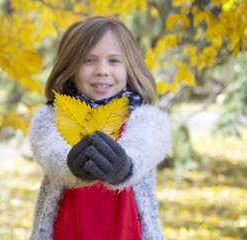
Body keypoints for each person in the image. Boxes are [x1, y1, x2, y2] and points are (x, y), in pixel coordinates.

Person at [29, 16, 172, 240]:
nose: (102, 70)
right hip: (67, 232)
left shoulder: (145, 119)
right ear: (71, 66)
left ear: (130, 66)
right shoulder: (52, 117)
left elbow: (145, 147)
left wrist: (124, 167)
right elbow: (50, 152)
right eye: (88, 60)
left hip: (127, 232)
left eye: (114, 61)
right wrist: (71, 165)